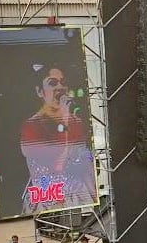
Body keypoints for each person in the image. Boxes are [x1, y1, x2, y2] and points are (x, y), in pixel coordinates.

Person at [19, 65, 94, 213]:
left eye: (63, 83)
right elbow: (57, 165)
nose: (60, 87)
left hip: (79, 197)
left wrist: (96, 199)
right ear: (40, 91)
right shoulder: (31, 127)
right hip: (48, 199)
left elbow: (86, 165)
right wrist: (64, 121)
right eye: (52, 83)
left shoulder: (76, 122)